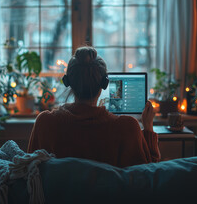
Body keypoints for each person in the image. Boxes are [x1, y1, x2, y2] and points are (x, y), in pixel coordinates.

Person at [27, 46, 160, 167]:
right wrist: (148, 128)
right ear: (104, 84)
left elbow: (30, 175)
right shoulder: (127, 128)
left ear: (68, 82)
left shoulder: (45, 123)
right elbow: (147, 178)